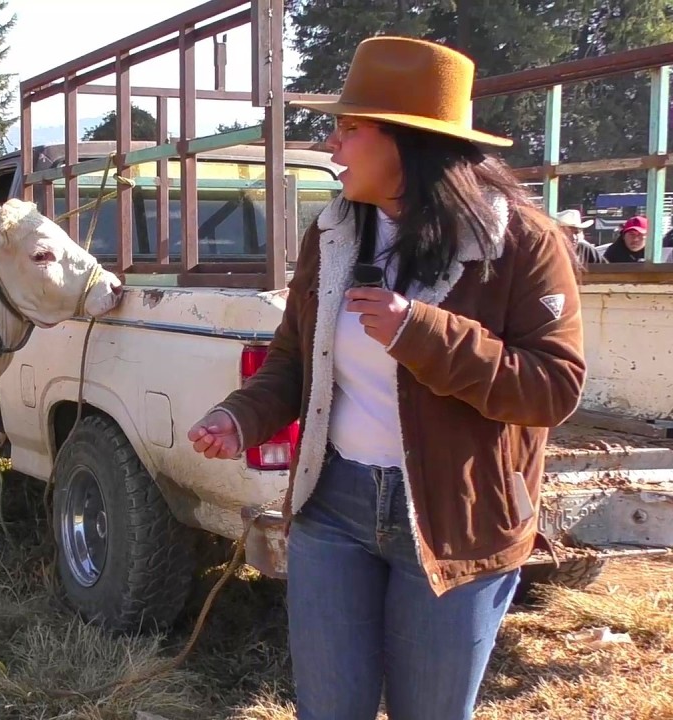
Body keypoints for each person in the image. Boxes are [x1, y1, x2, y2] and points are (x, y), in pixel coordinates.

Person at [187, 36, 586, 720]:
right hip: (333, 505)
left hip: (457, 519)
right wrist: (238, 417)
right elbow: (292, 360)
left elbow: (552, 388)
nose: (332, 147)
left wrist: (422, 333)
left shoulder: (520, 243)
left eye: (348, 130)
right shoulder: (335, 232)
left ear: (407, 142)